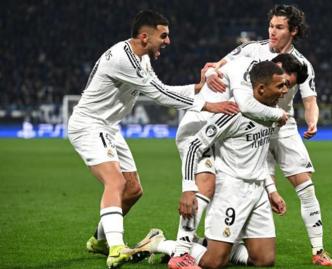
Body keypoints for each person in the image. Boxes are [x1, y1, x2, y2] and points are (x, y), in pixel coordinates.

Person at [67, 10, 237, 269]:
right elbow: (161, 97)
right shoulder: (124, 60)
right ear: (145, 37)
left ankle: (99, 240)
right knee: (115, 180)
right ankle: (116, 249)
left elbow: (161, 88)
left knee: (133, 190)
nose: (168, 41)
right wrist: (207, 105)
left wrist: (197, 88)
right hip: (89, 125)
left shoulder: (141, 58)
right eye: (164, 35)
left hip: (109, 127)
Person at [207, 4, 332, 266]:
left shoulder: (302, 65)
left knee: (306, 186)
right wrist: (209, 73)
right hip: (252, 122)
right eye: (271, 26)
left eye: (279, 27)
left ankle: (318, 250)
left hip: (284, 124)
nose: (272, 32)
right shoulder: (252, 49)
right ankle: (222, 241)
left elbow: (310, 100)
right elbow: (218, 65)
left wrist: (312, 122)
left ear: (293, 31)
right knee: (250, 184)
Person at [135, 61, 289, 269]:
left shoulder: (272, 113)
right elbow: (194, 146)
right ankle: (161, 244)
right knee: (214, 263)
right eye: (280, 86)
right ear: (261, 88)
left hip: (257, 191)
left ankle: (206, 245)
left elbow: (260, 155)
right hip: (231, 190)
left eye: (285, 85)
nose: (285, 90)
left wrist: (271, 190)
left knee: (265, 260)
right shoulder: (233, 112)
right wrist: (189, 189)